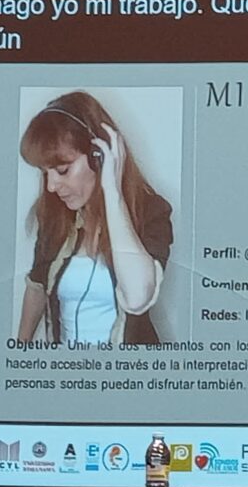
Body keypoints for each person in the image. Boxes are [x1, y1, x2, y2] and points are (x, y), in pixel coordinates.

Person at [17, 91, 173, 344]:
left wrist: (112, 193)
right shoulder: (56, 216)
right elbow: (37, 286)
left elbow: (137, 299)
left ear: (97, 157)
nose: (52, 187)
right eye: (45, 173)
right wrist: (17, 353)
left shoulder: (152, 212)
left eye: (62, 170)